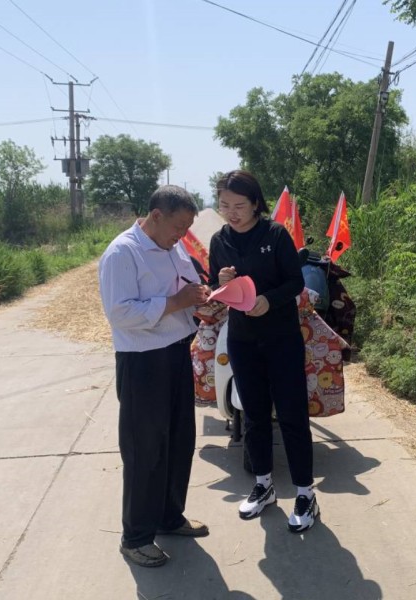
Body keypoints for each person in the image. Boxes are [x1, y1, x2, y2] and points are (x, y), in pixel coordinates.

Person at [99, 185, 211, 568]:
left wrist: (204, 303)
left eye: (187, 228)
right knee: (145, 449)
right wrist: (177, 303)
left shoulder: (174, 248)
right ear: (156, 215)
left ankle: (169, 516)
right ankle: (136, 538)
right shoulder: (123, 253)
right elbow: (120, 313)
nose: (182, 235)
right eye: (178, 226)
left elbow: (187, 291)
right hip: (142, 362)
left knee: (179, 441)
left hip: (177, 353)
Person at [209, 169, 318, 532]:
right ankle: (263, 486)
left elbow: (295, 281)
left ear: (255, 203)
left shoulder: (274, 234)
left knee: (291, 415)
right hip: (242, 339)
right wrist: (220, 282)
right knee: (254, 415)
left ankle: (305, 493)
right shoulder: (219, 240)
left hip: (281, 338)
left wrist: (269, 301)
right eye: (225, 205)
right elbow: (214, 288)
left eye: (239, 205)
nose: (232, 212)